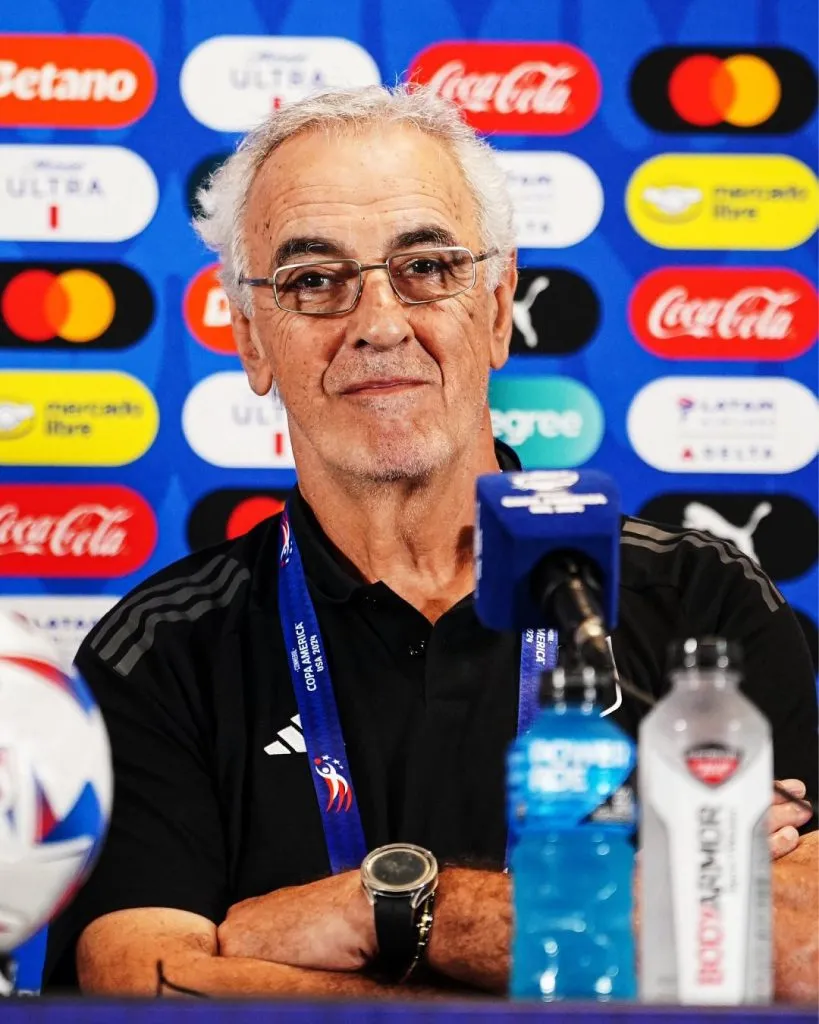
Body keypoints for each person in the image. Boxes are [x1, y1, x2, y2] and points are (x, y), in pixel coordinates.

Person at [44, 84, 817, 1000]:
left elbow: (796, 949)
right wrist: (647, 906)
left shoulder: (695, 597)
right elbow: (145, 983)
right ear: (251, 338)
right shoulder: (160, 650)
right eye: (313, 280)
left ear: (495, 310)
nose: (377, 323)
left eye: (425, 267)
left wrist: (389, 910)